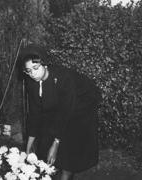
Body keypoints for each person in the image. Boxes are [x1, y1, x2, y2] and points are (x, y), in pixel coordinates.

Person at [18, 44, 101, 180]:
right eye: (28, 70)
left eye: (35, 68)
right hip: (62, 105)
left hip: (82, 104)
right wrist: (29, 145)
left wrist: (56, 144)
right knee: (47, 138)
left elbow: (65, 112)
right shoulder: (31, 82)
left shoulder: (64, 79)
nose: (32, 73)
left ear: (45, 64)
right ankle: (52, 168)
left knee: (69, 148)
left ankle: (67, 172)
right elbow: (34, 113)